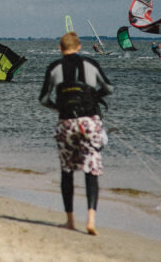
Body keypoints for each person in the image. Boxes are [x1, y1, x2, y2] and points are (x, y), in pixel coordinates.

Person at [39, 31, 113, 236]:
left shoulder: (54, 67)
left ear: (60, 48)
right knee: (91, 170)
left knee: (67, 171)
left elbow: (43, 99)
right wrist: (92, 97)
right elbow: (109, 88)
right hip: (89, 122)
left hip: (66, 123)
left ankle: (70, 221)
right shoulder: (90, 64)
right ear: (79, 47)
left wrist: (59, 108)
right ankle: (91, 219)